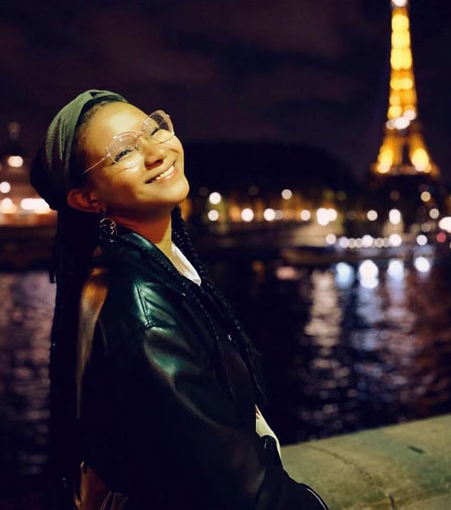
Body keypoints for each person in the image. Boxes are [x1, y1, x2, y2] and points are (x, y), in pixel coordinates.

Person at [30, 89, 329, 510]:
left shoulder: (143, 271)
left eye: (153, 130)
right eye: (122, 153)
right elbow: (243, 494)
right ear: (87, 198)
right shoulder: (144, 310)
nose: (156, 152)